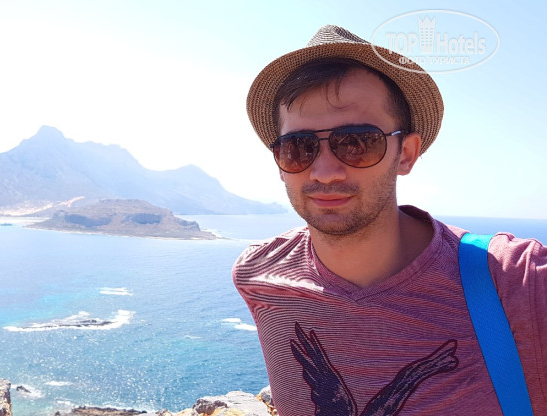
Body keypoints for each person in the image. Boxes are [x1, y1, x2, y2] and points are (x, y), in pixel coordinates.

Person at [233, 25, 546, 415]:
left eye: (357, 142)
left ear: (406, 154)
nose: (325, 172)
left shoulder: (520, 282)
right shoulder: (259, 274)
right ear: (280, 163)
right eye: (298, 147)